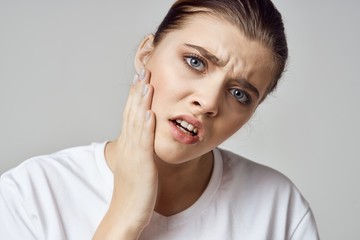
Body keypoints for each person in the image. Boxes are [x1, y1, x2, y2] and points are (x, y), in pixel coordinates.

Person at [0, 0, 320, 239]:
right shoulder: (30, 196)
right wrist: (124, 214)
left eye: (239, 94)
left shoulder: (279, 210)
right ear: (145, 54)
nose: (208, 103)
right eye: (195, 62)